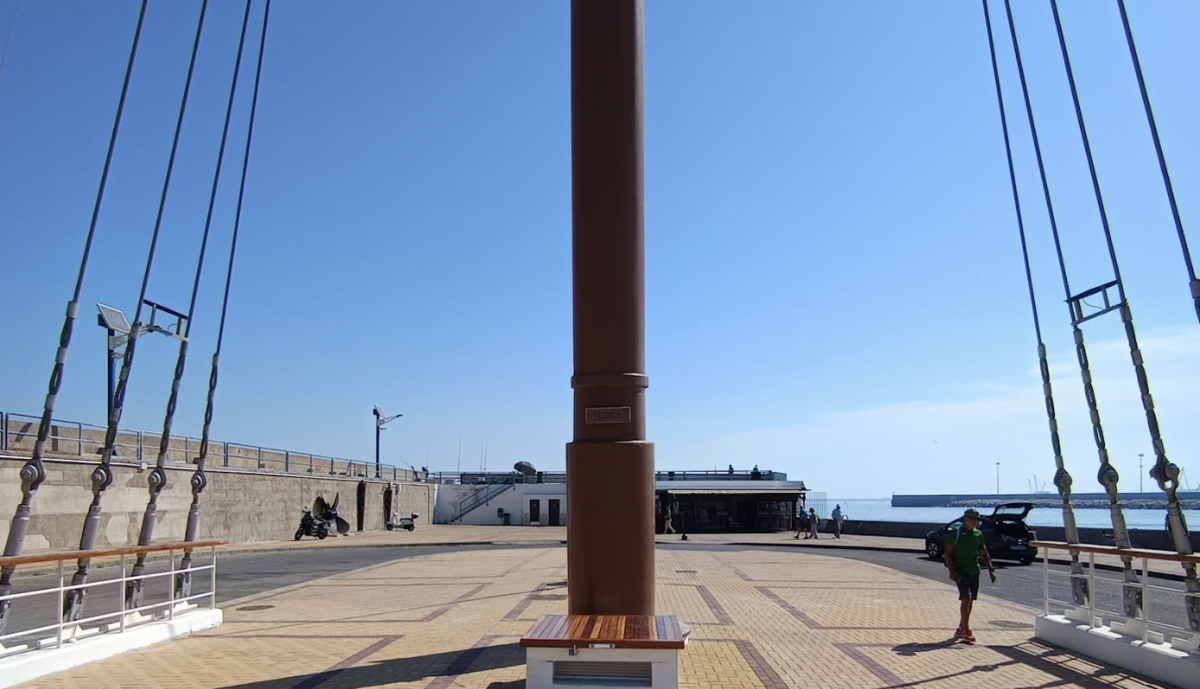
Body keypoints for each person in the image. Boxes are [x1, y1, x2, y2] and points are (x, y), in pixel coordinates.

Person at [944, 508, 997, 643]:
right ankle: (966, 629)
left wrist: (991, 569)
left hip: (974, 571)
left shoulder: (978, 534)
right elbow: (948, 553)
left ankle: (961, 627)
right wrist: (951, 570)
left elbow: (984, 553)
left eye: (977, 520)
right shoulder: (956, 533)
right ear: (965, 519)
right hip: (961, 571)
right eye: (973, 519)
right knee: (966, 599)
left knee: (970, 600)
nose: (976, 522)